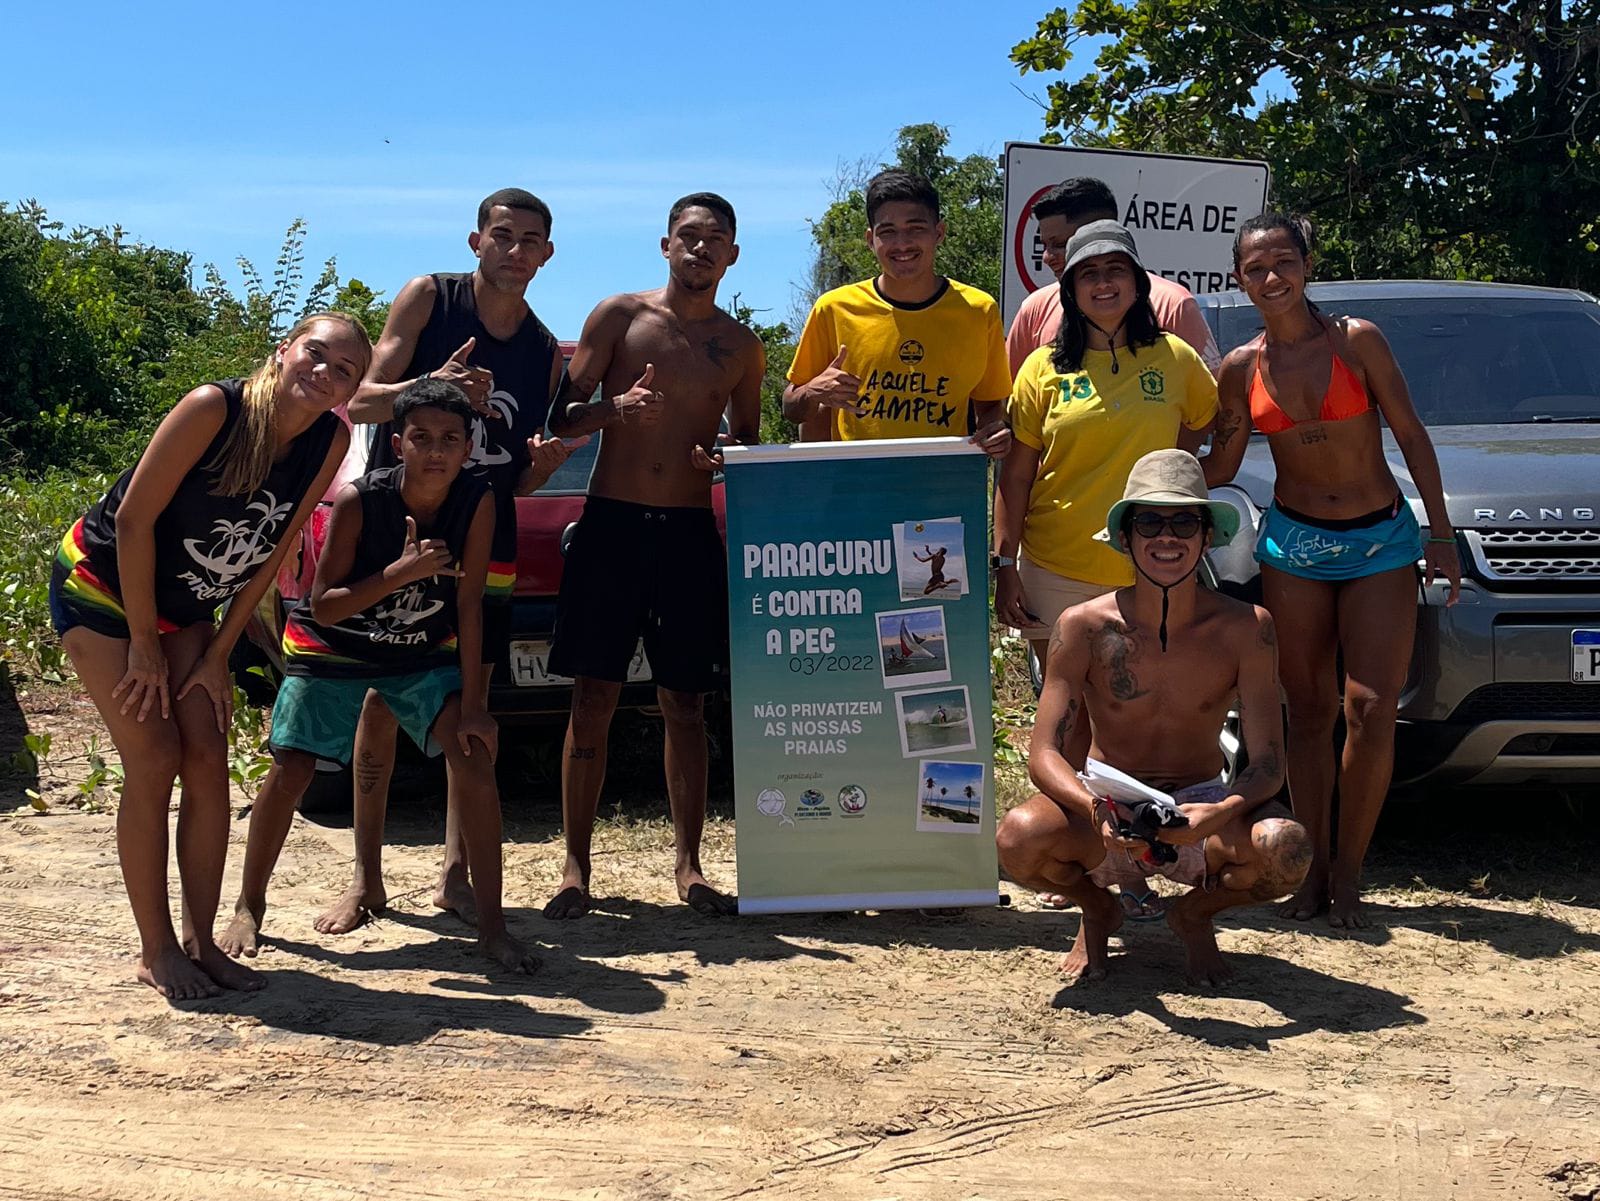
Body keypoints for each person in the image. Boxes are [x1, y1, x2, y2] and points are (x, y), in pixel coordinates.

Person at [49, 312, 369, 999]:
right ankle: (156, 948)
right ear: (283, 350)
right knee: (155, 755)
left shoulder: (330, 439)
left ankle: (201, 941)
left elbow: (275, 552)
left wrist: (219, 651)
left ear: (352, 391)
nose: (325, 372)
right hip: (103, 586)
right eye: (316, 353)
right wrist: (143, 645)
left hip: (188, 609)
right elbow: (133, 520)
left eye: (345, 370)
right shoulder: (213, 409)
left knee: (206, 758)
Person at [218, 380, 538, 973]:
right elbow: (325, 605)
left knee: (472, 755)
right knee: (293, 770)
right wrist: (400, 572)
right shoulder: (361, 500)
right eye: (421, 438)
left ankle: (494, 929)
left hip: (419, 650)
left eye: (449, 439)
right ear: (397, 444)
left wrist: (474, 705)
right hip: (333, 646)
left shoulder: (478, 499)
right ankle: (248, 906)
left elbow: (471, 604)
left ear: (468, 447)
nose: (435, 451)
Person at [335, 187, 583, 933]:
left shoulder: (542, 350)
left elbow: (513, 472)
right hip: (402, 534)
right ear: (477, 241)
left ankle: (454, 875)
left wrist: (540, 470)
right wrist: (431, 386)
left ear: (547, 255)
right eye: (502, 235)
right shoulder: (429, 299)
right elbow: (359, 402)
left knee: (471, 707)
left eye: (530, 240)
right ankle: (366, 876)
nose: (515, 250)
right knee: (380, 702)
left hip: (487, 540)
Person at [1205, 213, 1461, 929]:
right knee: (1308, 711)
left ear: (1306, 264)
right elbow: (1222, 465)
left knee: (1371, 708)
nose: (1271, 277)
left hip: (1380, 540)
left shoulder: (1357, 341)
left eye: (1283, 261)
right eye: (1256, 268)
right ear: (1240, 279)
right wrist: (1149, 460)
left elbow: (1410, 434)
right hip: (1295, 545)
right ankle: (1311, 870)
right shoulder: (1240, 368)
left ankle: (1348, 873)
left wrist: (1441, 533)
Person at [996, 450, 1311, 984]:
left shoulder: (1247, 628)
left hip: (1200, 802)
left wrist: (1220, 811)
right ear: (1125, 538)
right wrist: (1095, 807)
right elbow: (1043, 752)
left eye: (1184, 522)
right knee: (1016, 839)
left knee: (1286, 849)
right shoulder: (1082, 625)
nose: (1167, 537)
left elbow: (1268, 762)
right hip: (1106, 804)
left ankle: (1194, 916)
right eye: (1149, 523)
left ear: (1206, 538)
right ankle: (1097, 909)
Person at [542, 193, 764, 919]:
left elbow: (748, 442)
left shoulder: (741, 347)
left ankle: (690, 865)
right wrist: (615, 411)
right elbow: (560, 419)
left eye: (715, 239)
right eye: (688, 237)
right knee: (592, 697)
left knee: (686, 703)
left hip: (689, 530)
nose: (700, 249)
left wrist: (724, 457)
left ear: (733, 255)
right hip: (611, 524)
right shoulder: (619, 317)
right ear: (665, 245)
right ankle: (575, 865)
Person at [994, 223, 1221, 912]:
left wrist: (1188, 500)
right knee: (1071, 727)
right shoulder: (1042, 369)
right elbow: (1017, 473)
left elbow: (1205, 427)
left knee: (1130, 719)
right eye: (1088, 274)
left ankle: (1148, 858)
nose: (1103, 284)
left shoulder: (1176, 358)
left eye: (1116, 271)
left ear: (1138, 282)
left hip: (1147, 568)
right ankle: (1095, 867)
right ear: (1068, 289)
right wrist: (1004, 561)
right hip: (1055, 562)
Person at [782, 170, 1012, 457]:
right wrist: (812, 392)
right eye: (887, 231)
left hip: (944, 479)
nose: (902, 243)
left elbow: (990, 404)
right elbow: (791, 407)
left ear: (939, 232)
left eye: (916, 228)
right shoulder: (834, 308)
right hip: (856, 480)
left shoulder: (978, 310)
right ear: (870, 239)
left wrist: (994, 431)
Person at [1005, 177, 1220, 379]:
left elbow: (1211, 398)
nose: (1047, 257)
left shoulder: (1173, 305)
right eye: (1044, 245)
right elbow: (1010, 397)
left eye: (1060, 244)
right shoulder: (1034, 309)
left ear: (1104, 232)